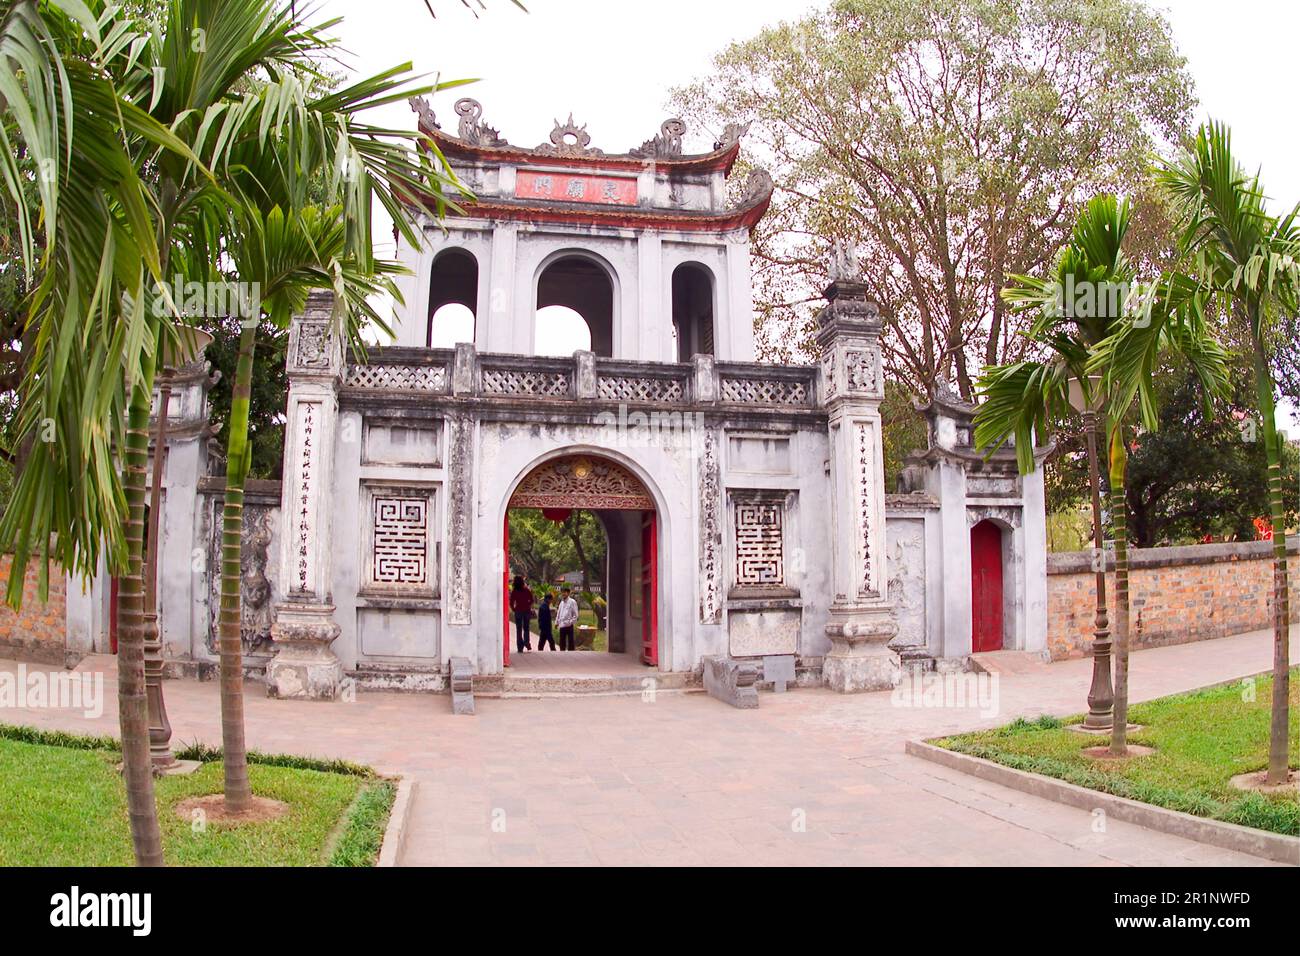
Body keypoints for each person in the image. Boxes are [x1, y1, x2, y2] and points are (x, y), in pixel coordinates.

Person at [509, 575, 534, 653]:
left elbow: (511, 602)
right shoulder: (526, 590)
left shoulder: (514, 591)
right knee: (526, 628)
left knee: (519, 630)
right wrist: (527, 605)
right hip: (526, 611)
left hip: (518, 611)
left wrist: (514, 609)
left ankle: (520, 647)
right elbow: (532, 600)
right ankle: (527, 642)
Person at [556, 587, 579, 651]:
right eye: (562, 592)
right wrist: (556, 622)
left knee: (570, 641)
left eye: (564, 592)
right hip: (562, 624)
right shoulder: (561, 602)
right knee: (562, 641)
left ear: (568, 593)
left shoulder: (572, 602)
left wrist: (570, 622)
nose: (563, 594)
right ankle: (562, 654)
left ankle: (571, 654)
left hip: (569, 625)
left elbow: (576, 615)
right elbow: (559, 612)